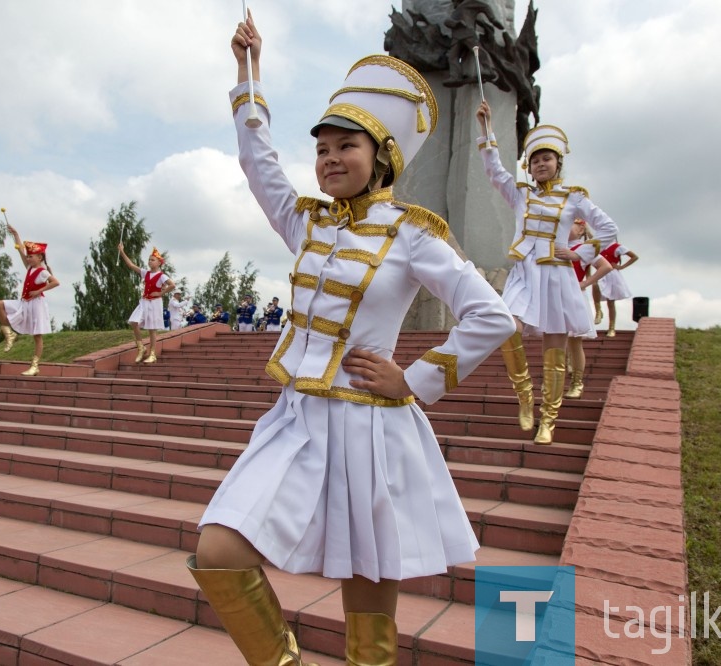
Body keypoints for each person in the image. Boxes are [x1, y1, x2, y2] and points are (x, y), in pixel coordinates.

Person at [186, 14, 516, 666]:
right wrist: (247, 74)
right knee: (218, 552)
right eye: (323, 148)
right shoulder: (305, 224)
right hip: (296, 422)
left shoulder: (413, 233)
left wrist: (414, 381)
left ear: (382, 157)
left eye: (347, 146)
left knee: (369, 610)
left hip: (372, 429)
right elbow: (258, 164)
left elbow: (492, 316)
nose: (331, 159)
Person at [476, 100, 618, 444]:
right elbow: (495, 171)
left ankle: (548, 420)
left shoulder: (574, 198)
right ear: (530, 165)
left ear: (558, 163)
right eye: (536, 159)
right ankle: (525, 395)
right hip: (525, 275)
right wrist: (487, 130)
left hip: (556, 277)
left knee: (555, 354)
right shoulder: (520, 194)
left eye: (547, 159)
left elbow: (609, 230)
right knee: (508, 329)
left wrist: (579, 251)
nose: (541, 164)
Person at [554, 218, 613, 399]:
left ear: (580, 228)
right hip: (556, 298)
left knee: (574, 342)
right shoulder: (555, 247)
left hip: (574, 298)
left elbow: (606, 266)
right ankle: (555, 383)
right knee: (555, 343)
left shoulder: (583, 249)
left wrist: (586, 282)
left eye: (568, 224)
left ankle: (577, 383)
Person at [0, 226, 60, 376]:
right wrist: (16, 234)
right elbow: (20, 250)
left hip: (36, 305)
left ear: (40, 258)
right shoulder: (30, 267)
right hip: (24, 302)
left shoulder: (42, 271)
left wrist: (38, 291)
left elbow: (55, 282)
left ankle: (35, 365)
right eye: (28, 256)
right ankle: (9, 332)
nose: (28, 258)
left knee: (37, 336)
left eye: (31, 256)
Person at [119, 244, 175, 363]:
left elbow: (172, 285)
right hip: (144, 301)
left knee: (152, 329)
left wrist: (161, 293)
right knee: (134, 322)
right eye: (149, 259)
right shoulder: (146, 273)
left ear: (159, 262)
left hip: (154, 303)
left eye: (152, 260)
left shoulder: (162, 276)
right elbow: (131, 265)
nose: (150, 261)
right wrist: (122, 251)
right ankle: (141, 348)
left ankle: (153, 353)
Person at [591, 241, 639, 337]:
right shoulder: (596, 245)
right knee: (595, 285)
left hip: (612, 275)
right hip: (600, 272)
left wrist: (621, 267)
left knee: (611, 302)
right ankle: (598, 311)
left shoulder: (616, 247)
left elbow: (634, 257)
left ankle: (612, 327)